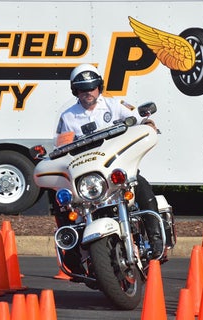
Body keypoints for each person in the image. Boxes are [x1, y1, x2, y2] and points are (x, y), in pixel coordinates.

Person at [53, 63, 163, 258]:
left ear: (99, 87)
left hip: (116, 167)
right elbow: (61, 147)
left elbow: (138, 118)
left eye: (92, 87)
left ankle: (156, 239)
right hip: (88, 174)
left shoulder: (115, 105)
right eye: (82, 89)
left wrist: (148, 123)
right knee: (63, 201)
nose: (88, 92)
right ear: (75, 90)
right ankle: (72, 254)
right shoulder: (68, 116)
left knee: (141, 184)